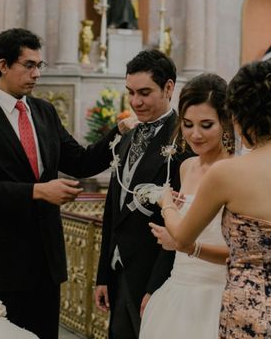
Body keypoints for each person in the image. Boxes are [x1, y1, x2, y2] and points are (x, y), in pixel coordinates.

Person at [0, 28, 123, 338]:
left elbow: (81, 162)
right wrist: (39, 191)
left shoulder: (44, 112)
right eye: (29, 65)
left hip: (45, 263)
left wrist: (119, 133)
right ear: (3, 65)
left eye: (39, 65)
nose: (37, 74)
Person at [159, 60, 271, 338]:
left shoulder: (229, 172)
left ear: (237, 116)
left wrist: (166, 201)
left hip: (250, 314)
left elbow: (181, 239)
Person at [95, 49, 183, 339]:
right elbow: (113, 210)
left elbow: (182, 223)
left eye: (144, 92)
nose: (135, 102)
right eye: (131, 92)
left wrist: (156, 286)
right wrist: (103, 276)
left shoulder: (183, 140)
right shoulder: (127, 136)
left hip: (154, 276)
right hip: (118, 272)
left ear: (168, 87)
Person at [140, 73, 232, 339]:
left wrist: (183, 241)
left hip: (217, 294)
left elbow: (242, 251)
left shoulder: (236, 171)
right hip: (178, 290)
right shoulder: (186, 167)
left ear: (225, 122)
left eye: (206, 125)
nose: (195, 134)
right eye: (188, 124)